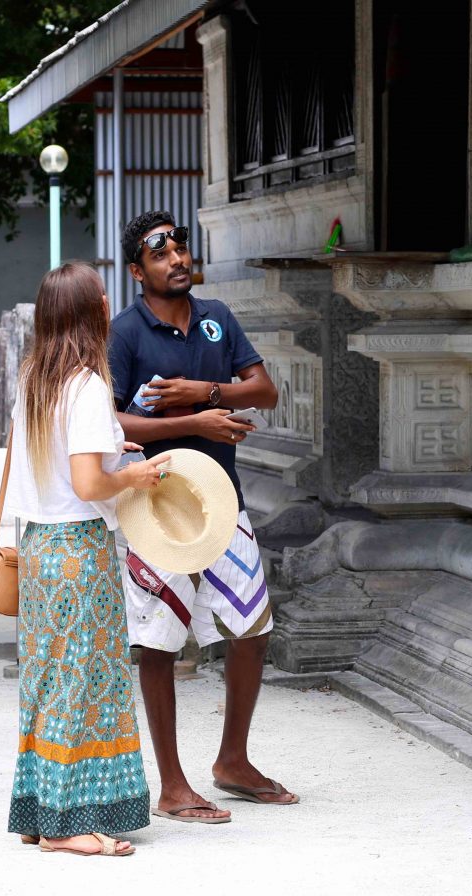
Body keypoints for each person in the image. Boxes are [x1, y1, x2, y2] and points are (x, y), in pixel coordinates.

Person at [109, 211, 298, 824]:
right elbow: (110, 423)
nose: (176, 259)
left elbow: (264, 390)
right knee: (160, 640)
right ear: (137, 271)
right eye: (159, 254)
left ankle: (232, 762)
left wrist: (204, 392)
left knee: (253, 626)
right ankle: (170, 785)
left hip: (222, 499)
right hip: (155, 505)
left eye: (181, 248)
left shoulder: (217, 318)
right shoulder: (125, 334)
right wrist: (193, 422)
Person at [5, 260, 171, 857]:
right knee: (82, 678)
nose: (110, 304)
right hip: (78, 547)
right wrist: (137, 473)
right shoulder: (89, 385)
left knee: (46, 678)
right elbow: (87, 486)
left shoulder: (34, 378)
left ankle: (38, 808)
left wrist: (108, 451)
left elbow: (58, 460)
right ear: (91, 313)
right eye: (103, 298)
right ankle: (64, 827)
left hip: (38, 548)